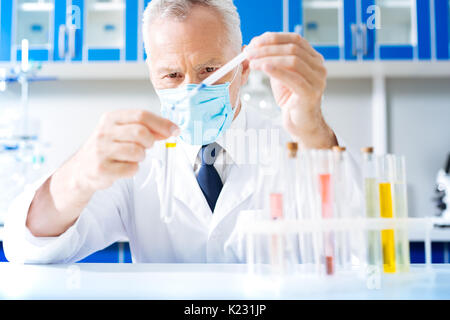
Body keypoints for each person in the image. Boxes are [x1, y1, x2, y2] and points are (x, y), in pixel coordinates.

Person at [4, 0, 361, 263]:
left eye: (209, 69)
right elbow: (26, 246)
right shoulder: (134, 160)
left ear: (244, 68)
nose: (192, 88)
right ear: (152, 74)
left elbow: (360, 246)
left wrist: (314, 129)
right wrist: (79, 175)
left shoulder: (295, 144)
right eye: (172, 75)